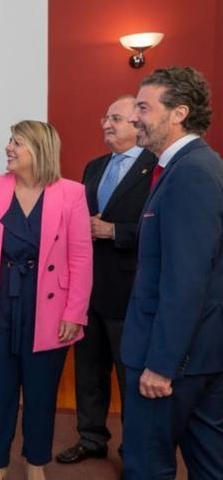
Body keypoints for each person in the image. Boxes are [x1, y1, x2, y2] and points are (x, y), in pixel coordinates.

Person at [0, 120, 92, 480]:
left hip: (49, 306)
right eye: (10, 140)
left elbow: (81, 257)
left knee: (40, 392)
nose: (8, 147)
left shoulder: (72, 193)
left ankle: (36, 464)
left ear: (39, 150)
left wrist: (75, 312)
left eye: (17, 142)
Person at [121, 66, 223, 479]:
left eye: (144, 107)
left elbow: (186, 281)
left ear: (178, 112)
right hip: (197, 356)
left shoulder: (191, 173)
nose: (134, 118)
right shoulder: (195, 166)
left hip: (171, 362)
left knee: (147, 466)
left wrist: (162, 364)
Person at [56, 96, 157, 465]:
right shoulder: (94, 167)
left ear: (137, 123)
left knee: (129, 378)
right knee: (88, 372)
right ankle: (91, 438)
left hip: (130, 292)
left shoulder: (157, 168)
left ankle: (135, 452)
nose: (106, 124)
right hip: (88, 291)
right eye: (105, 118)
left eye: (115, 118)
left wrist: (115, 231)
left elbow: (162, 230)